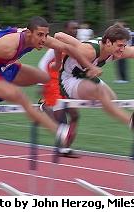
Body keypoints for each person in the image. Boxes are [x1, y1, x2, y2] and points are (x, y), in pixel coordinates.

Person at [0, 16, 101, 146]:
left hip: (8, 67)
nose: (44, 39)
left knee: (45, 78)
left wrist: (86, 66)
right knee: (19, 96)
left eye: (46, 35)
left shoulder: (37, 37)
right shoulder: (7, 48)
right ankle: (59, 131)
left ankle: (42, 106)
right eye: (40, 35)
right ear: (28, 33)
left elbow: (65, 47)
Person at [38, 20, 80, 157]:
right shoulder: (56, 46)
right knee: (61, 118)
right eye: (73, 28)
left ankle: (65, 146)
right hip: (52, 82)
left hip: (65, 83)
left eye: (77, 28)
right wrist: (41, 83)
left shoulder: (77, 46)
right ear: (66, 30)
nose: (75, 31)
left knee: (75, 115)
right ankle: (63, 148)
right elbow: (43, 62)